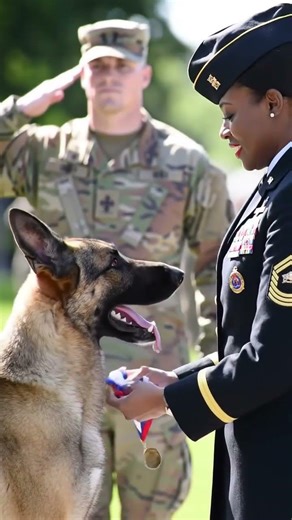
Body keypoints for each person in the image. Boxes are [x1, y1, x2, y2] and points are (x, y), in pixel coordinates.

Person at [0, 19, 232, 519]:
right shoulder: (40, 150)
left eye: (121, 66)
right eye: (97, 66)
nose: (109, 75)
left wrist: (217, 370)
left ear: (144, 75)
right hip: (48, 388)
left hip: (148, 390)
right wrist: (18, 111)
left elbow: (215, 269)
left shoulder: (188, 162)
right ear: (81, 76)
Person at [107, 4, 292, 520]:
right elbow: (250, 339)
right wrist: (172, 381)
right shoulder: (275, 189)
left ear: (274, 103)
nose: (225, 130)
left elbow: (275, 359)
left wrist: (167, 401)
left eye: (231, 112)